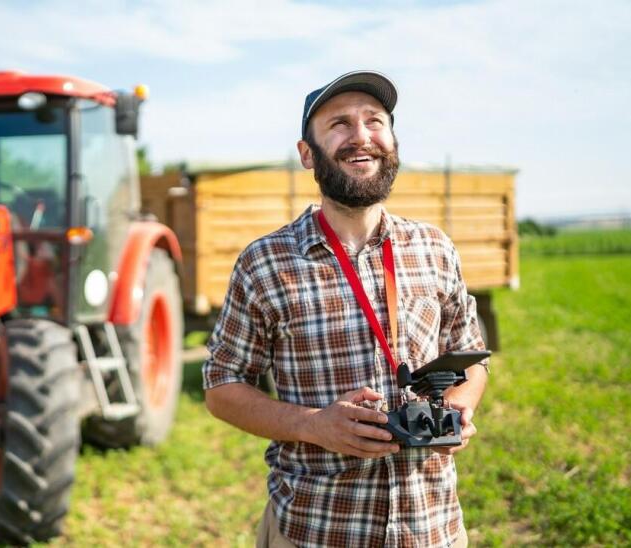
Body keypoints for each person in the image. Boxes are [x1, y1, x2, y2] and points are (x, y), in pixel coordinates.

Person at [202, 70, 489, 547]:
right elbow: (220, 385)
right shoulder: (265, 263)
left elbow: (471, 355)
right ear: (306, 154)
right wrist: (313, 426)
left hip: (432, 528)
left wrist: (459, 406)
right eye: (339, 124)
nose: (361, 136)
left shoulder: (435, 248)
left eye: (374, 121)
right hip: (317, 529)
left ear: (392, 140)